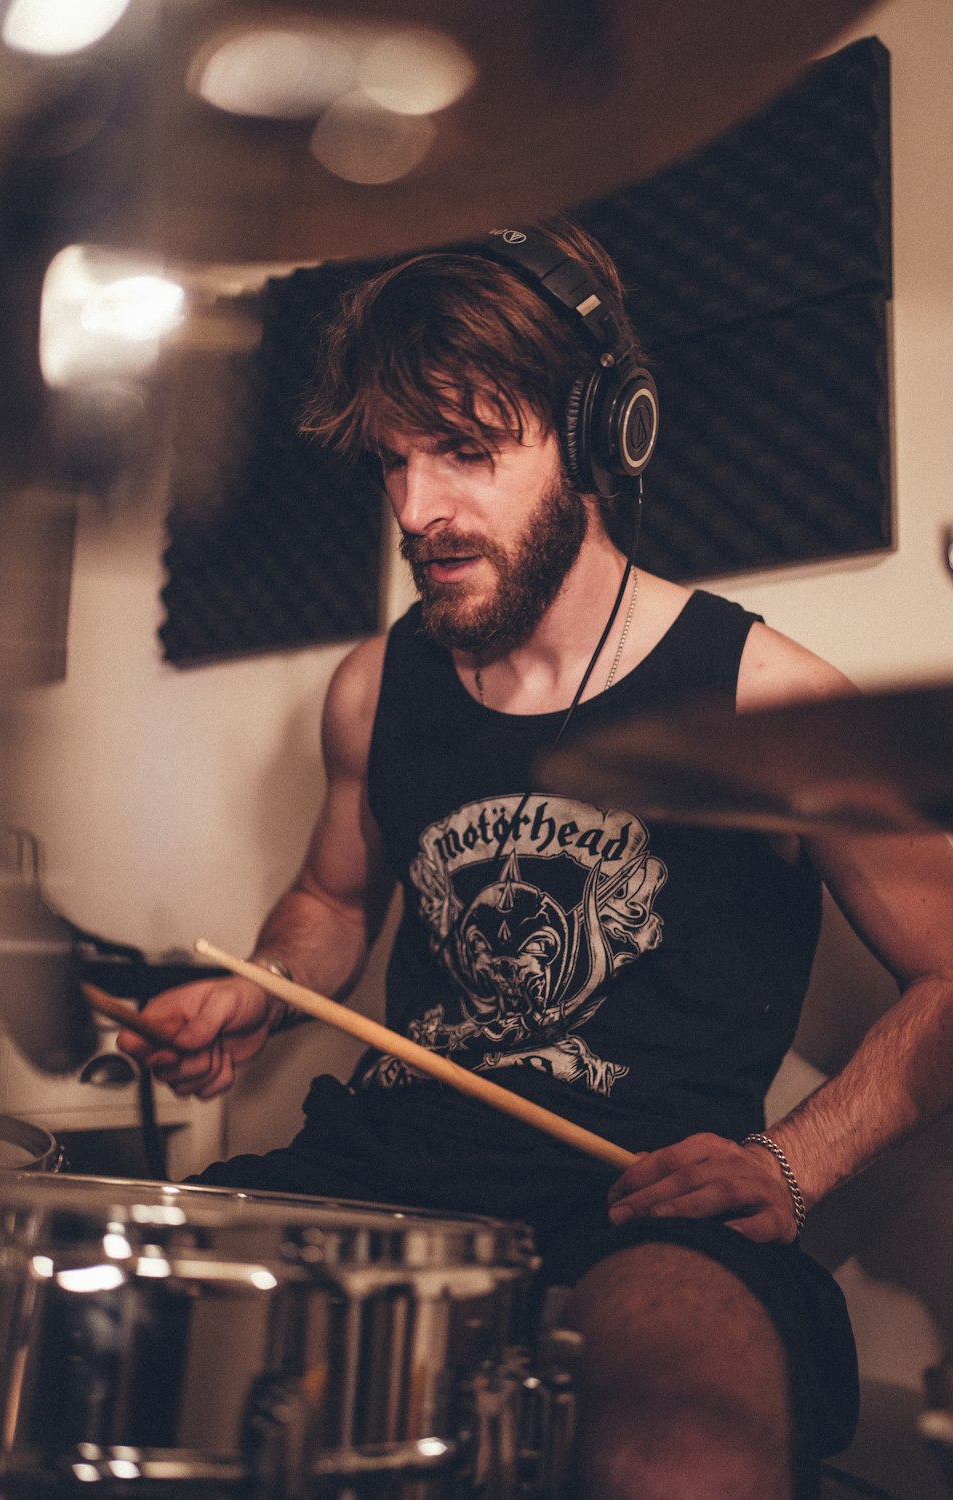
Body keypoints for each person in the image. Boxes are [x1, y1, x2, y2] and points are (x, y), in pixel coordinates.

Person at [119, 218, 953, 1500]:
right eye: (395, 462)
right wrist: (261, 985)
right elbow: (333, 900)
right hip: (379, 1167)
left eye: (465, 449)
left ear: (601, 433)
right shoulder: (373, 686)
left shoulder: (762, 696)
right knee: (121, 1348)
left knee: (681, 1447)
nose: (416, 510)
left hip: (636, 1206)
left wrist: (791, 1163)